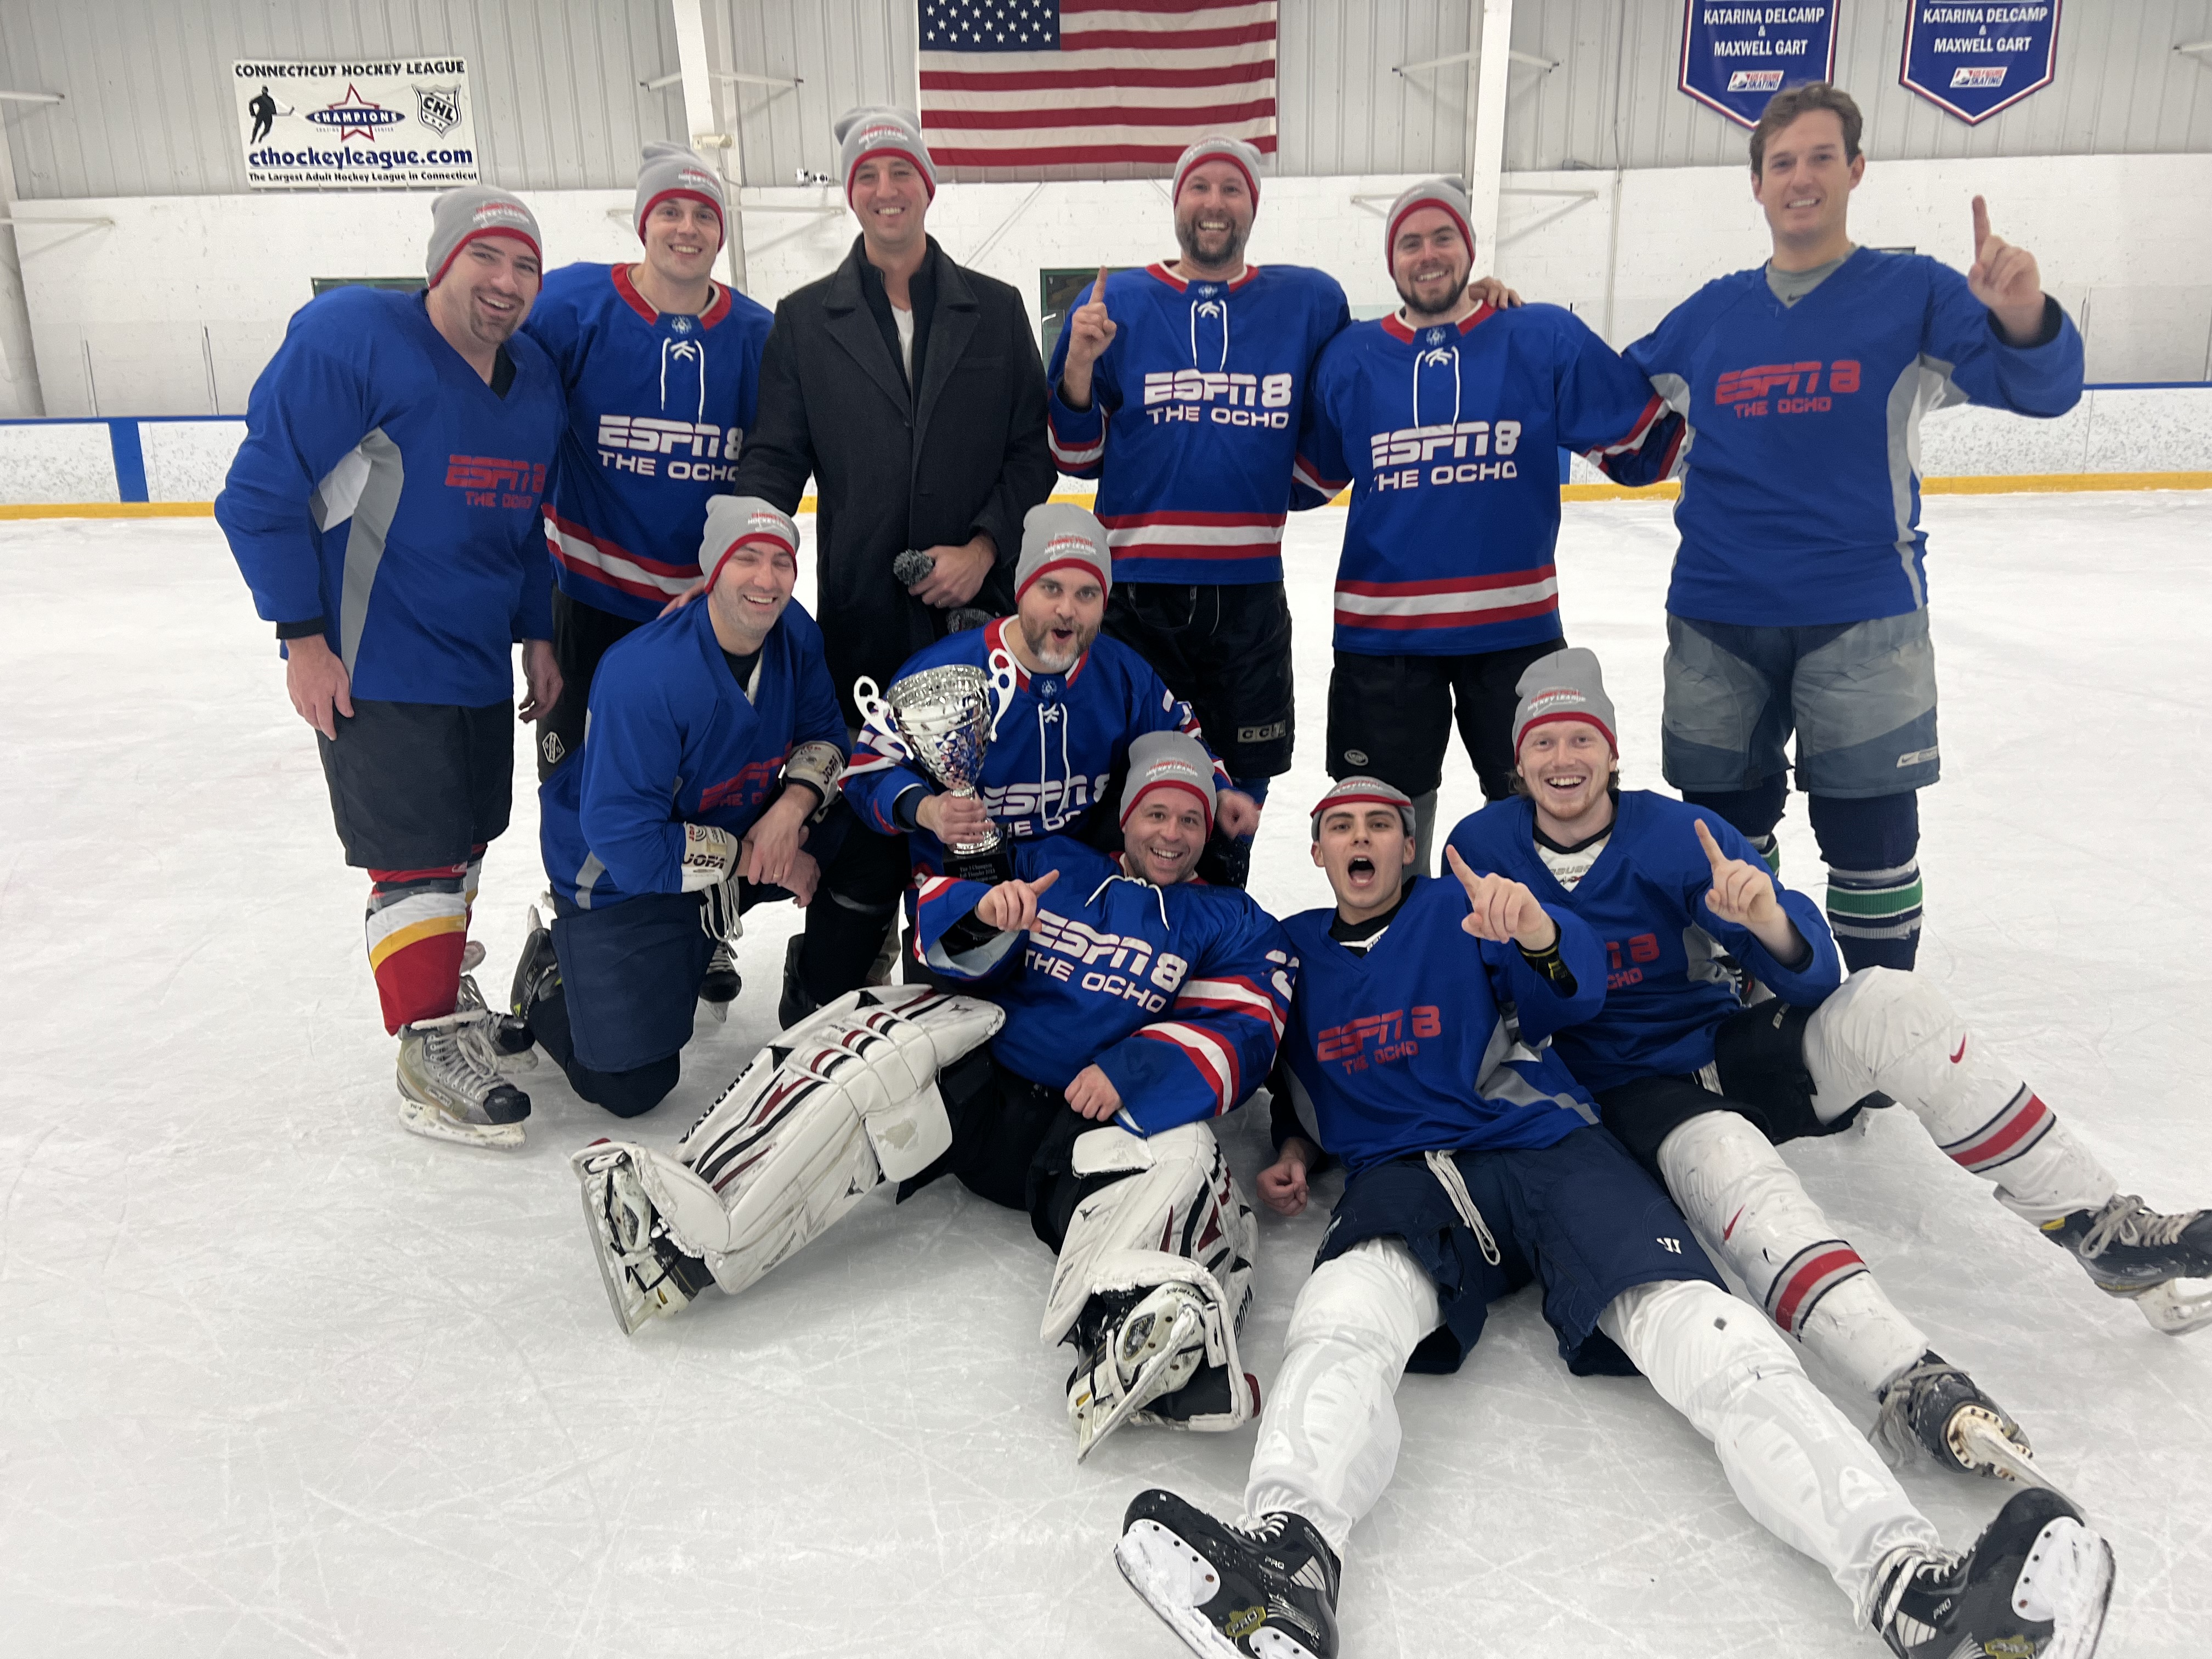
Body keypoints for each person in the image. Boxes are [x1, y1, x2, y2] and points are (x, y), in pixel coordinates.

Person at [1116, 777, 2115, 1659]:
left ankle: (1908, 1582)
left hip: (1543, 1144)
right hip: (1404, 1174)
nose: (1362, 839)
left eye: (1381, 824)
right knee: (1342, 1313)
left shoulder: (1466, 908)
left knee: (1706, 1330)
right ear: (1318, 849)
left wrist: (1537, 934)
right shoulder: (1291, 946)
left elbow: (1572, 990)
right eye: (1343, 827)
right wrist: (1296, 1148)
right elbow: (1287, 1061)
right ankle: (1286, 1564)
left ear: (1409, 844)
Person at [1445, 648, 2212, 1386]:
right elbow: (1474, 997)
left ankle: (2101, 1225)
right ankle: (1901, 1373)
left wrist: (1769, 920)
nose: (1563, 758)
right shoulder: (1482, 848)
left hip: (1722, 1051)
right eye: (1543, 741)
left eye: (1582, 738)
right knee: (1731, 1158)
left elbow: (1814, 978)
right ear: (1519, 760)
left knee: (1894, 1004)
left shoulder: (1679, 833)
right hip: (1621, 1097)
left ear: (1613, 753)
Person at [568, 733, 1295, 1461]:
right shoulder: (1056, 864)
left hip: (1085, 1139)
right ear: (1129, 815)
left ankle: (1139, 1341)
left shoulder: (1230, 920)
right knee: (869, 1036)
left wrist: (1130, 1070)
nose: (1172, 834)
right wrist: (990, 920)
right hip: (978, 1100)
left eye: (1190, 820)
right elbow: (943, 932)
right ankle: (681, 1237)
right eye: (1157, 814)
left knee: (1189, 1155)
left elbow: (1247, 1026)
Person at [1622, 82, 2084, 971]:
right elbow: (1610, 404)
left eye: (1820, 157)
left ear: (1856, 169)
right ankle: (1749, 996)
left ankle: (1877, 1012)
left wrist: (2022, 312)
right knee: (1723, 830)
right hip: (1718, 612)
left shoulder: (1914, 293)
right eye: (1782, 162)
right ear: (1756, 183)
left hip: (1862, 611)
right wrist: (1502, 325)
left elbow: (2043, 389)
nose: (1800, 177)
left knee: (1869, 831)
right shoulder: (1712, 311)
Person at [217, 187, 564, 1148]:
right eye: (485, 258)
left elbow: (526, 526)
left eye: (524, 266)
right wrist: (302, 638)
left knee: (466, 838)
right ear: (441, 263)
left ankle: (440, 985)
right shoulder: (356, 339)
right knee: (414, 852)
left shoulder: (533, 378)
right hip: (374, 658)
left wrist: (538, 633)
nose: (504, 282)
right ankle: (424, 1044)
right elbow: (258, 495)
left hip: (473, 660)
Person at [729, 104, 1056, 1013]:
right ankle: (842, 956)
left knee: (971, 802)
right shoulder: (805, 321)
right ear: (851, 194)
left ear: (928, 186)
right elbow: (774, 458)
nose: (885, 190)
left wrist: (984, 547)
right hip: (865, 617)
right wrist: (735, 555)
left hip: (974, 618)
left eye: (900, 171)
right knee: (871, 809)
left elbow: (1030, 453)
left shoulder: (995, 310)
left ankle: (961, 958)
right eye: (867, 175)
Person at [1294, 178, 1682, 872]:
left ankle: (1529, 937)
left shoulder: (1538, 337)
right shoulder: (1350, 358)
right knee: (1383, 829)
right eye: (1411, 242)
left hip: (1516, 635)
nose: (1428, 254)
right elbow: (1306, 479)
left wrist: (1741, 422)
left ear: (1470, 249)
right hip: (1382, 643)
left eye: (1444, 237)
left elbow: (1641, 447)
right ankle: (1402, 937)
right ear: (1391, 262)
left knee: (1542, 823)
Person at [1042, 136, 1352, 885]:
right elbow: (1074, 456)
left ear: (1253, 204)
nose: (1215, 203)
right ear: (1177, 202)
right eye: (1200, 188)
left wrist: (1476, 305)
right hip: (1134, 595)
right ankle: (1117, 923)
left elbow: (1345, 404)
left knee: (1240, 782)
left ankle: (1215, 918)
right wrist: (1078, 360)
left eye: (1231, 188)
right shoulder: (1113, 302)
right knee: (1125, 773)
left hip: (1247, 593)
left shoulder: (1309, 302)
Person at [828, 504, 1257, 1018]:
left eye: (1087, 594)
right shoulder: (947, 670)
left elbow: (1181, 733)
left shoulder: (1120, 672)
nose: (1067, 611)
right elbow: (866, 770)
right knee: (966, 1025)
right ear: (1021, 590)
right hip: (964, 890)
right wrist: (928, 810)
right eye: (1051, 588)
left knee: (1083, 1020)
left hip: (1073, 888)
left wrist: (1219, 788)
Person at [523, 144, 774, 1012]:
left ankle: (697, 925)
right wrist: (532, 621)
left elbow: (771, 463)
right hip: (589, 601)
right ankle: (572, 931)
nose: (687, 227)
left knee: (698, 777)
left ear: (721, 232)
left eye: (704, 214)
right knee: (579, 783)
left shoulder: (755, 333)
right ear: (643, 222)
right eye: (670, 210)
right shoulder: (573, 305)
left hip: (699, 617)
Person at [507, 497, 845, 1127]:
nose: (767, 579)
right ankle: (549, 974)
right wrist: (759, 859)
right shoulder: (646, 675)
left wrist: (792, 810)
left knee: (863, 823)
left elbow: (827, 735)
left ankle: (820, 997)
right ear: (712, 569)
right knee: (631, 1083)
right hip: (616, 873)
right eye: (747, 559)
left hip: (726, 835)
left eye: (781, 562)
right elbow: (627, 844)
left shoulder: (793, 632)